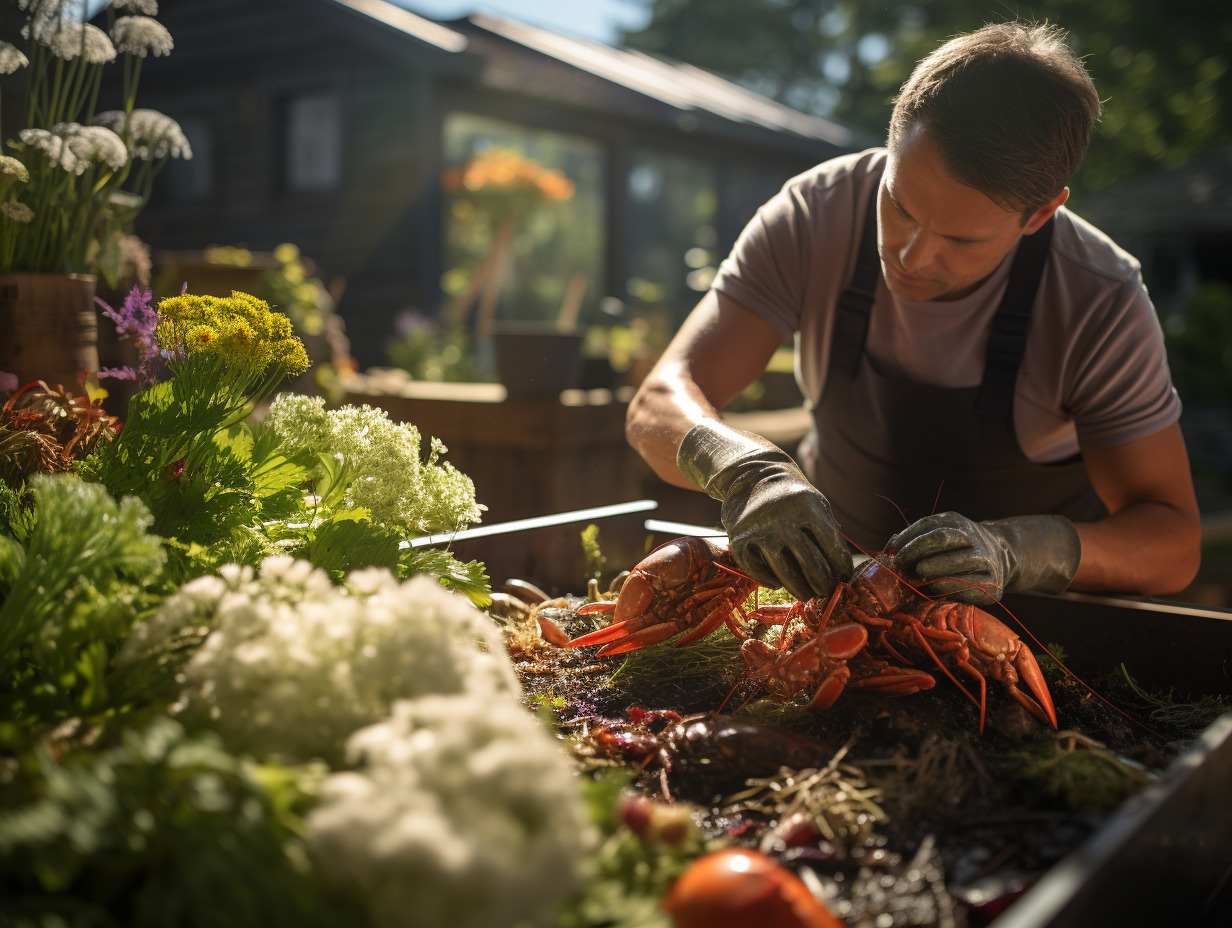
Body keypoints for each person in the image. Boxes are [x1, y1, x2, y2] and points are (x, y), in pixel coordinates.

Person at [626, 20, 1202, 607]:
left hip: (1027, 630)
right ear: (893, 139)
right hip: (833, 601)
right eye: (899, 205)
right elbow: (660, 401)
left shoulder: (1098, 298)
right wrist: (745, 472)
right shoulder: (815, 215)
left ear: (1040, 215)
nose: (910, 256)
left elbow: (1173, 542)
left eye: (961, 239)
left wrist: (1019, 551)